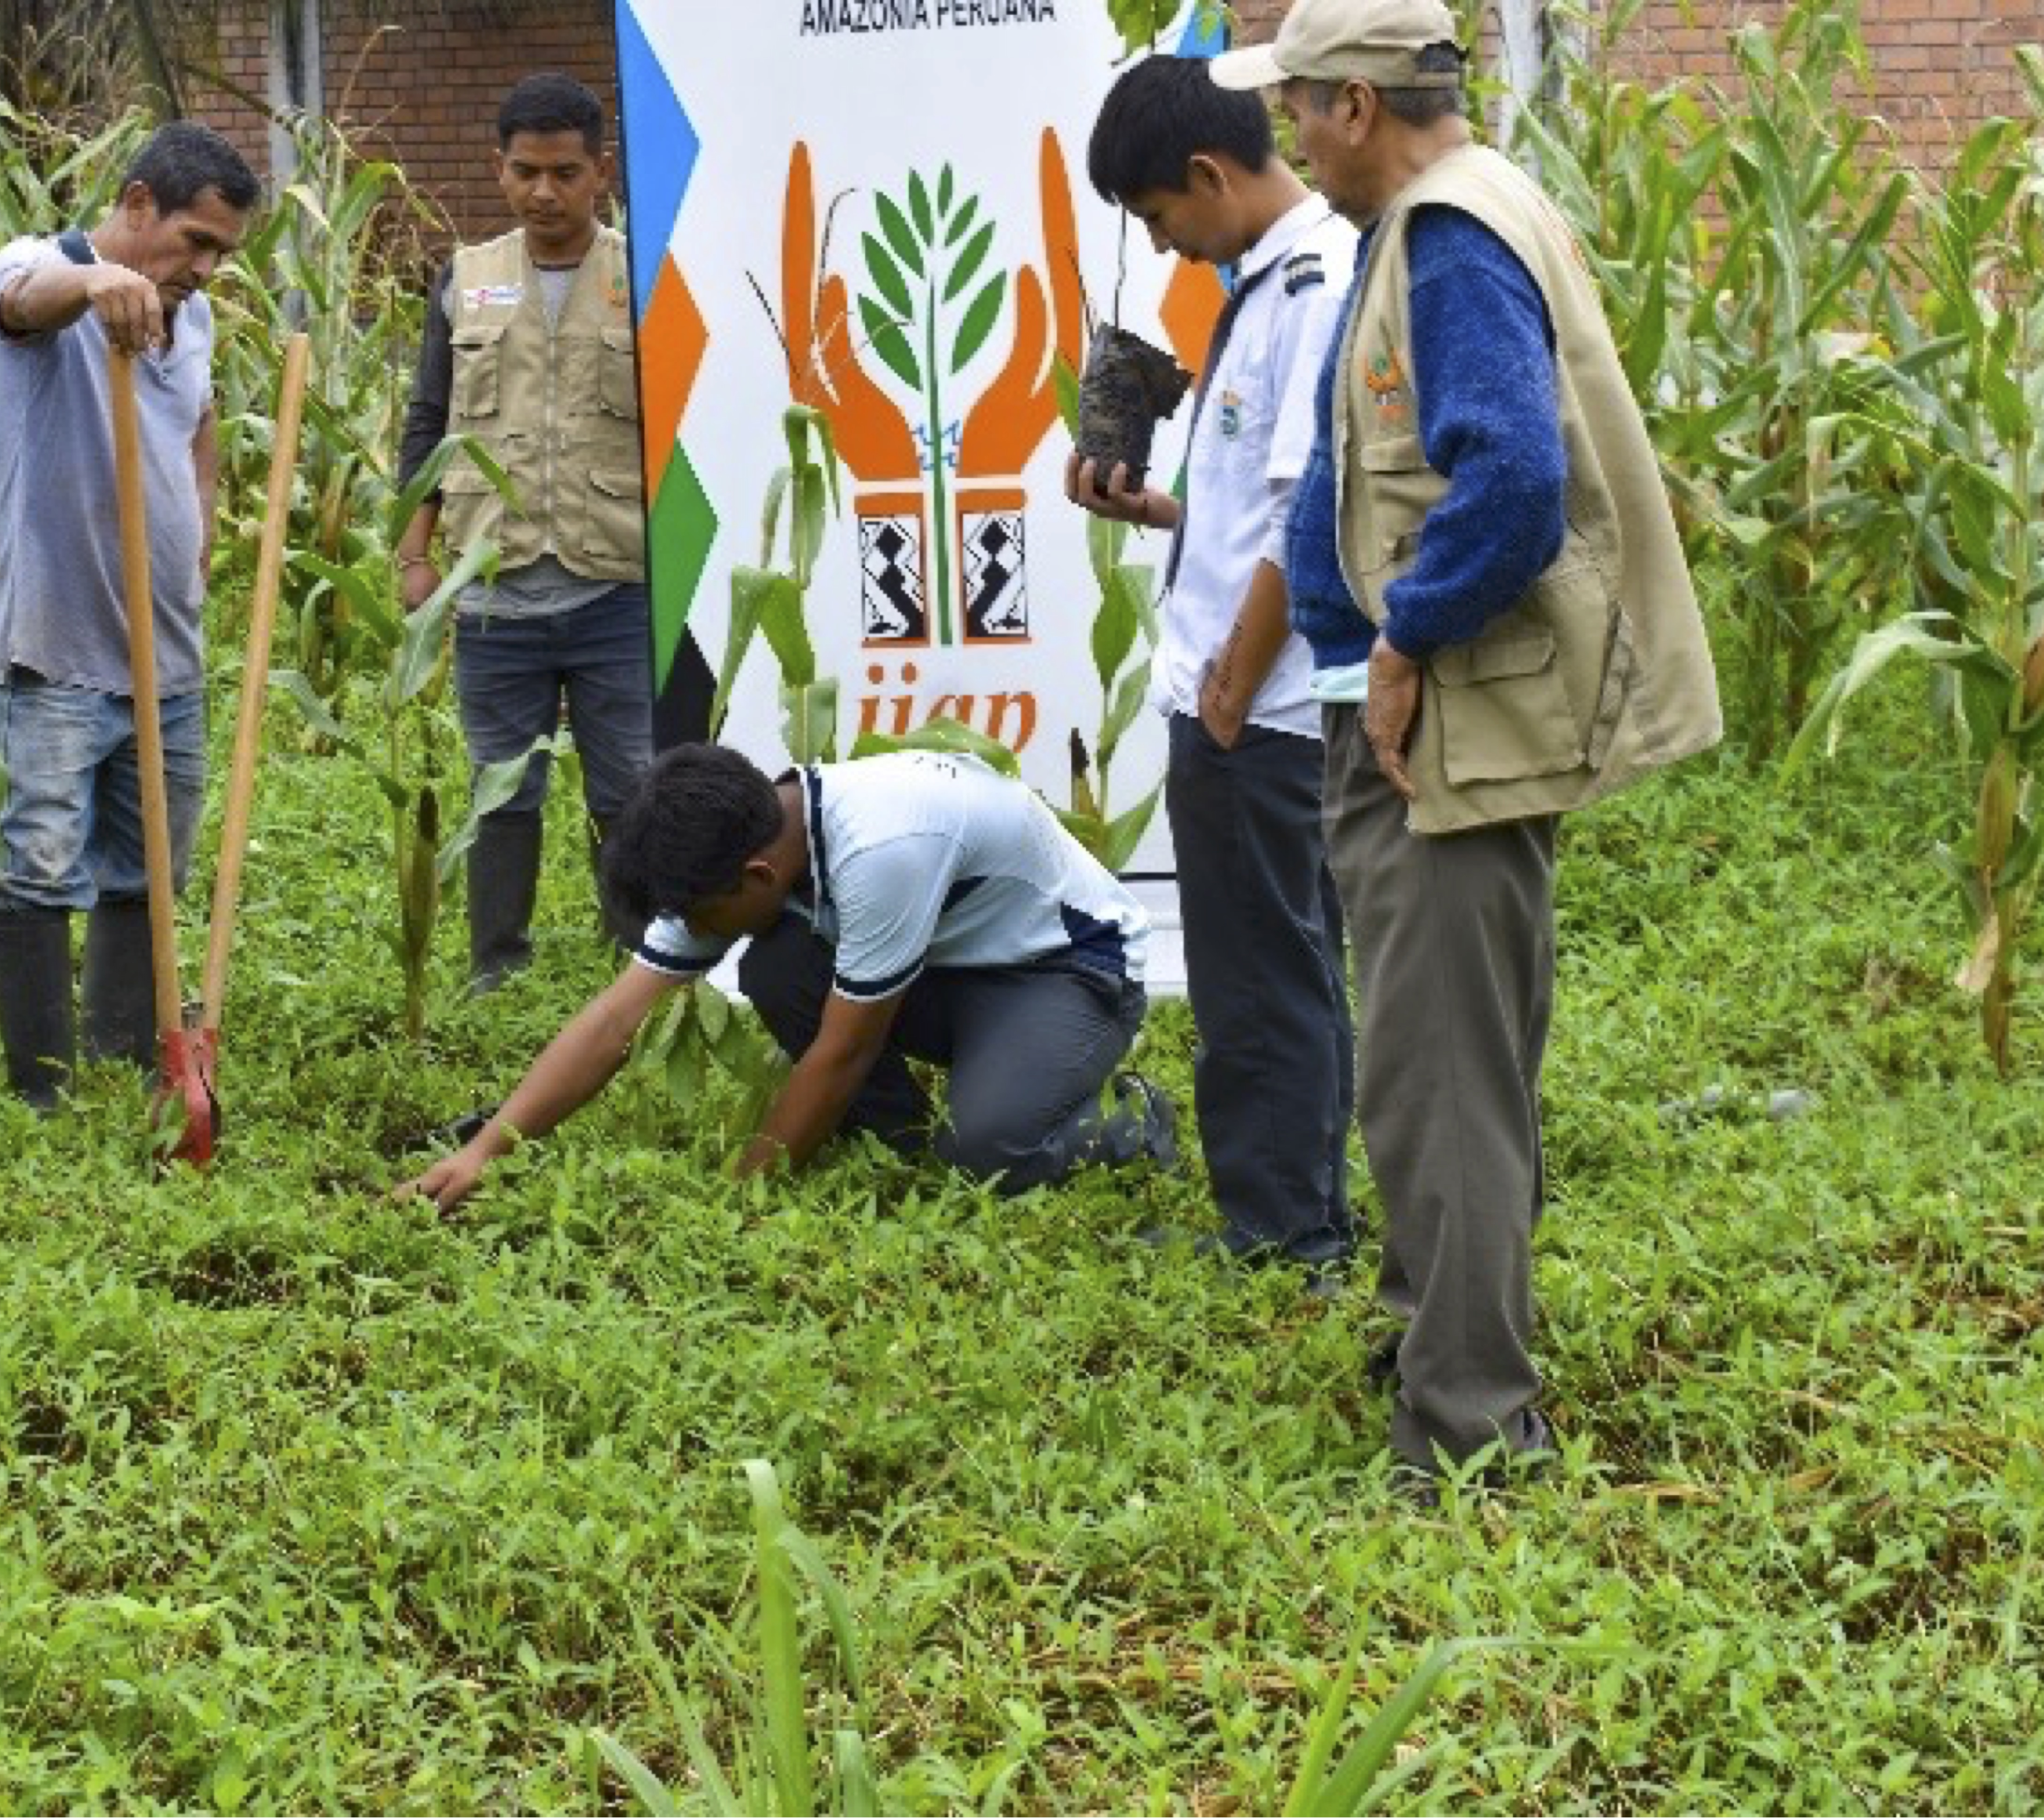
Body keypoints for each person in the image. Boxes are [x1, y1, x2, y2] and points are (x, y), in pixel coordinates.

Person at [1209, 0, 1721, 1484]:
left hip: (1443, 725)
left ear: (1359, 104)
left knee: (1443, 1080)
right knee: (1434, 1065)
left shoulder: (1444, 240)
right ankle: (1427, 1330)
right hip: (1441, 720)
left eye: (1299, 106)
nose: (1287, 134)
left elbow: (1510, 480)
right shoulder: (1453, 213)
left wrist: (1400, 638)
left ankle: (1471, 1426)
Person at [399, 743, 1175, 1212]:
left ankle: (1132, 1124)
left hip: (1066, 971)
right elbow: (612, 1022)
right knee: (776, 968)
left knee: (985, 1153)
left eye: (701, 916)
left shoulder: (883, 847)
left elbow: (840, 1054)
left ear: (756, 873)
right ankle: (898, 1146)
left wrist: (743, 1195)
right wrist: (485, 1150)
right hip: (947, 969)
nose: (695, 934)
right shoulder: (727, 838)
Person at [1067, 56, 1360, 1278]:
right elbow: (1248, 510)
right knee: (1268, 963)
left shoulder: (1313, 280)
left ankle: (1285, 1235)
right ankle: (1286, 1210)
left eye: (1156, 217)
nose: (1165, 244)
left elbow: (1310, 521)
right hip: (1247, 698)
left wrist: (1232, 691)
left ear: (1202, 173)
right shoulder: (1267, 282)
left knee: (1260, 980)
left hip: (1263, 711)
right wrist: (1155, 512)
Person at [0, 122, 259, 1108]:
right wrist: (93, 285)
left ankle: (127, 1050)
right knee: (43, 861)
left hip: (167, 655)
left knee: (154, 869)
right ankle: (41, 1088)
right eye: (195, 242)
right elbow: (23, 302)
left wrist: (206, 526)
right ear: (137, 205)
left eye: (224, 253)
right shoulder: (40, 268)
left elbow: (201, 423)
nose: (208, 269)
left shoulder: (195, 319)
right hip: (57, 648)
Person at [394, 72, 652, 993]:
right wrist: (416, 554)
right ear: (499, 170)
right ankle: (495, 965)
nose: (545, 192)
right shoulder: (466, 280)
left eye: (566, 173)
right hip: (493, 585)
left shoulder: (649, 270)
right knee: (501, 787)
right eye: (526, 172)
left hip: (617, 581)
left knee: (629, 788)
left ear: (600, 174)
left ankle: (636, 958)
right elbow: (428, 425)